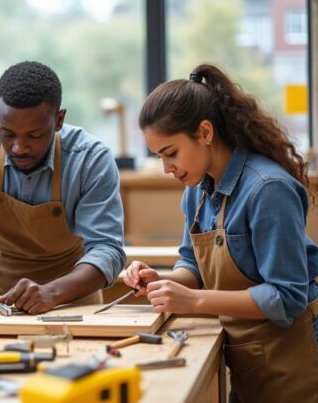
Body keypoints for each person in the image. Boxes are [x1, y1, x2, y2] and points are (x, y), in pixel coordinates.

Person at [125, 63, 318, 402]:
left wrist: (194, 301)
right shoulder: (196, 191)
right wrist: (164, 281)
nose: (167, 168)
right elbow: (195, 267)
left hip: (296, 351)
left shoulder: (267, 190)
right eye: (159, 157)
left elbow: (287, 297)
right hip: (250, 353)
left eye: (171, 154)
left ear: (205, 132)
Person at [0, 61, 125, 314]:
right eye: (8, 133)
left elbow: (107, 249)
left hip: (70, 303)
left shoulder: (90, 160)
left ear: (59, 120)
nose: (19, 147)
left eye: (34, 135)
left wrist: (52, 293)